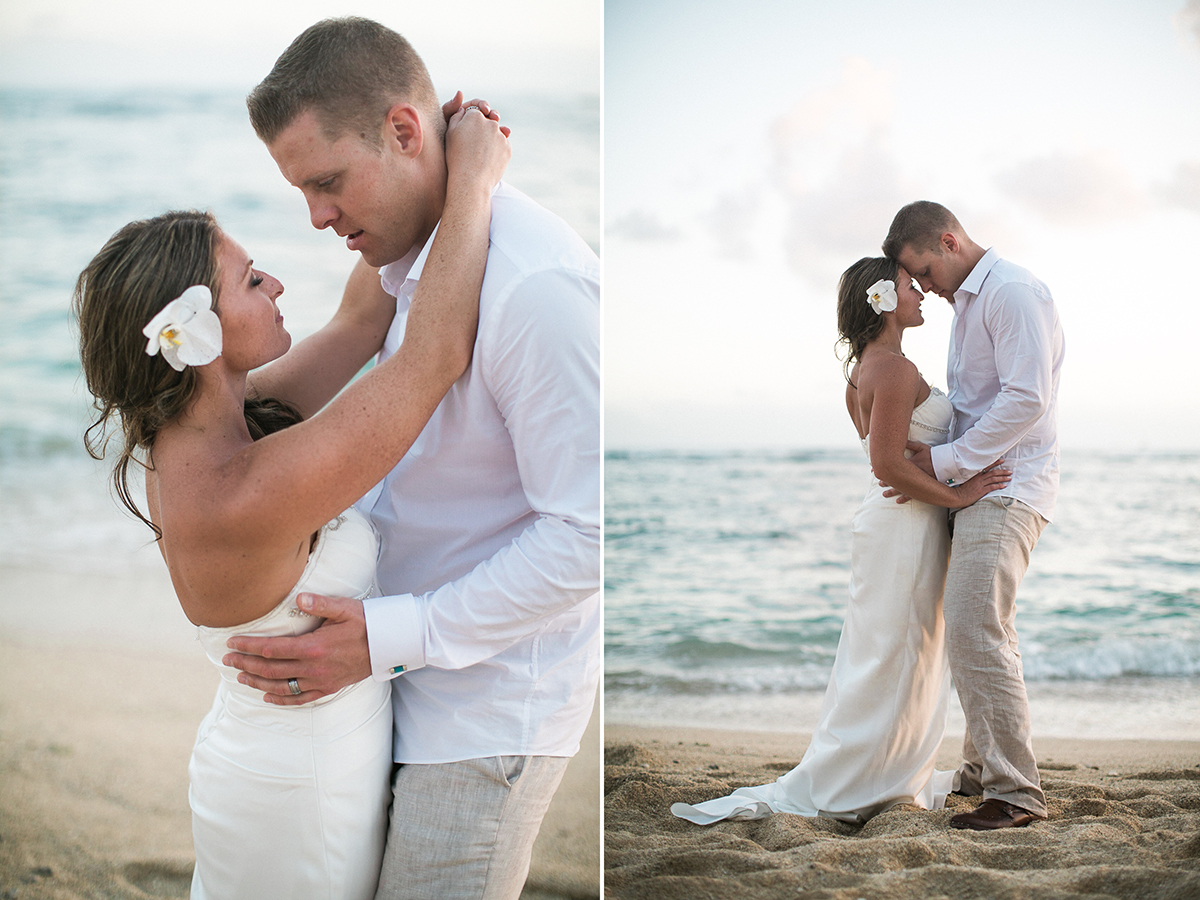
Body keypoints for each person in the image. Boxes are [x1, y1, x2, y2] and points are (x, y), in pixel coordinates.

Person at [74, 106, 509, 899]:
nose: (275, 282)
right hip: (297, 795)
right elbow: (433, 355)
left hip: (292, 761)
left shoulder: (215, 430)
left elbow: (362, 316)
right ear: (196, 336)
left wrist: (416, 175)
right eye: (249, 279)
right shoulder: (241, 493)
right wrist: (477, 179)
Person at [220, 18, 601, 899]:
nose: (316, 218)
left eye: (327, 183)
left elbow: (589, 535)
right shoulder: (408, 269)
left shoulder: (535, 289)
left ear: (402, 131)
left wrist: (391, 640)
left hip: (484, 712)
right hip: (388, 688)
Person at [672, 258, 1011, 826]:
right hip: (906, 525)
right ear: (883, 302)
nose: (921, 293)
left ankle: (888, 769)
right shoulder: (895, 370)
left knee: (888, 652)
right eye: (909, 286)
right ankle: (874, 777)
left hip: (896, 524)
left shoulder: (865, 368)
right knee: (898, 651)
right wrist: (961, 494)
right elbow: (886, 465)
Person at [882, 201, 1064, 830]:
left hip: (1010, 487)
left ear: (950, 240)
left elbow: (1027, 398)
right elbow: (970, 402)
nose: (924, 287)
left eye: (924, 270)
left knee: (974, 628)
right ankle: (983, 771)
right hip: (980, 486)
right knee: (971, 628)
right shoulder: (970, 304)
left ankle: (1015, 795)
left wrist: (946, 461)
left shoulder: (1011, 293)